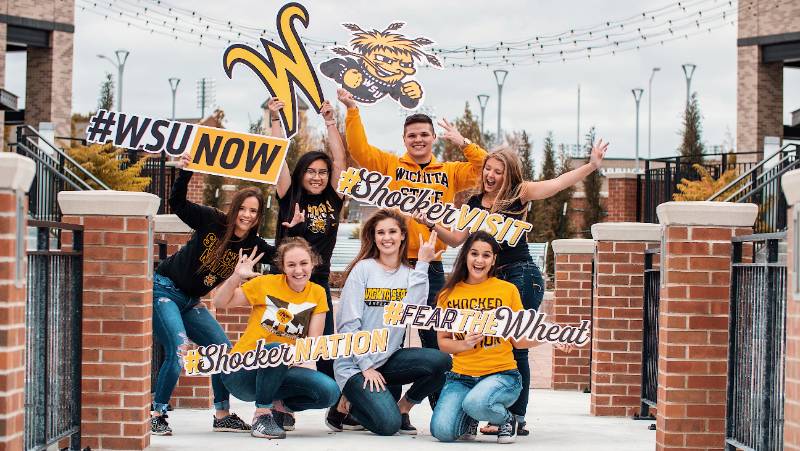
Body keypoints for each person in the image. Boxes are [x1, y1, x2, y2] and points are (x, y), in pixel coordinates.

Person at [415, 142, 607, 435]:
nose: (491, 175)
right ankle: (486, 406)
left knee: (517, 346)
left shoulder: (519, 194)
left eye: (499, 171)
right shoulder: (473, 203)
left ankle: (514, 417)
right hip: (491, 278)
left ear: (509, 175)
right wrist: (432, 224)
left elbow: (556, 184)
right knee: (492, 341)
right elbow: (456, 240)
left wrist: (591, 166)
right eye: (488, 169)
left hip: (520, 275)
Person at [337, 88, 487, 365]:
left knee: (433, 337)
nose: (418, 140)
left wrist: (463, 141)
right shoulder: (391, 165)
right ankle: (387, 401)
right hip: (395, 263)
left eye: (423, 134)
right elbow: (359, 150)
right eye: (412, 135)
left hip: (430, 265)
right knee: (387, 333)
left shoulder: (451, 172)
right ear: (404, 139)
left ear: (433, 138)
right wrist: (352, 110)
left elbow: (486, 168)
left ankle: (434, 405)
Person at [151, 154, 276, 436]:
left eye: (254, 211)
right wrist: (185, 173)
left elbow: (283, 256)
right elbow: (178, 204)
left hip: (191, 302)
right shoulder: (212, 220)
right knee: (179, 348)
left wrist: (293, 228)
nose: (247, 215)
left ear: (258, 217)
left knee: (222, 352)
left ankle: (222, 415)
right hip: (164, 290)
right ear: (235, 209)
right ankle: (157, 413)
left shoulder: (253, 245)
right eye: (243, 208)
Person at [327, 209, 452, 436]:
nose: (387, 237)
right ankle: (343, 404)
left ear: (402, 235)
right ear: (373, 237)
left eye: (393, 231)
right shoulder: (363, 269)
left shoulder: (409, 273)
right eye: (381, 232)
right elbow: (348, 324)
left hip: (387, 359)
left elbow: (414, 312)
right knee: (388, 425)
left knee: (442, 362)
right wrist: (365, 366)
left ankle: (403, 407)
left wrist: (423, 263)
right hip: (355, 365)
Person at [429, 231, 556, 444]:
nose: (479, 260)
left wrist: (550, 336)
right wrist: (465, 343)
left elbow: (519, 340)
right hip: (461, 377)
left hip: (501, 376)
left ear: (493, 259)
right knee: (441, 431)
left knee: (475, 403)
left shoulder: (507, 291)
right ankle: (469, 418)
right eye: (474, 254)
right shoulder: (448, 294)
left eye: (486, 255)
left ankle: (507, 419)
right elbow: (443, 343)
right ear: (465, 256)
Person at [211, 238, 340, 440]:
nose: (298, 270)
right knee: (277, 349)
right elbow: (219, 302)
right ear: (283, 267)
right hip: (242, 372)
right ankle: (261, 415)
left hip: (281, 370)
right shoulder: (265, 284)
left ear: (313, 263)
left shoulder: (317, 292)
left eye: (303, 263)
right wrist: (236, 277)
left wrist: (305, 361)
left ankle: (279, 406)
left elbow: (312, 343)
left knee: (329, 392)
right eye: (291, 265)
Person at [268, 97, 347, 383]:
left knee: (324, 347)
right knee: (283, 345)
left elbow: (340, 160)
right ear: (302, 174)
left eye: (322, 172)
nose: (317, 177)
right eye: (311, 172)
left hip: (318, 281)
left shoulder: (334, 197)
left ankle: (333, 403)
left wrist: (330, 122)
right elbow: (277, 160)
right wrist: (275, 121)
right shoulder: (289, 195)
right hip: (286, 282)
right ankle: (278, 406)